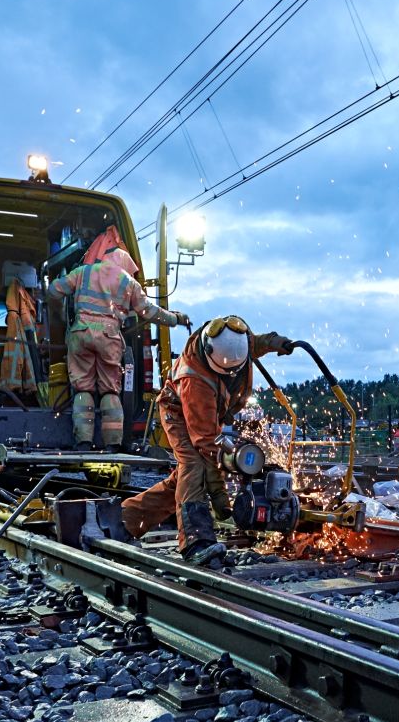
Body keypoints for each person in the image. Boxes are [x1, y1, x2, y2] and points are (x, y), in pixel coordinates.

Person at [120, 316, 293, 564]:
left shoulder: (234, 340)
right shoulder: (194, 379)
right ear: (210, 355)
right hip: (178, 413)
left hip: (209, 416)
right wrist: (221, 499)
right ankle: (196, 542)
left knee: (183, 482)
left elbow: (255, 343)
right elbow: (207, 445)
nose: (233, 374)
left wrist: (276, 342)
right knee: (194, 466)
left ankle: (126, 519)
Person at [49, 225, 191, 451]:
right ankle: (112, 444)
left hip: (80, 334)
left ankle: (83, 442)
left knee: (83, 389)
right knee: (109, 391)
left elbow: (54, 290)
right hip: (110, 338)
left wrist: (63, 307)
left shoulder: (84, 272)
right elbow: (149, 312)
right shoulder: (128, 283)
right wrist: (176, 319)